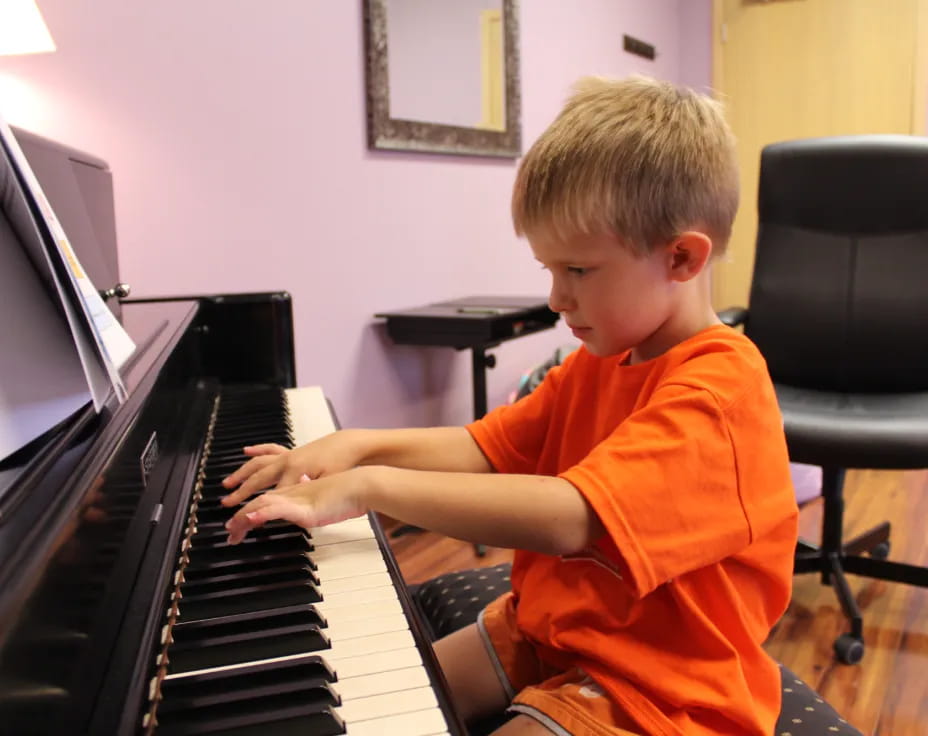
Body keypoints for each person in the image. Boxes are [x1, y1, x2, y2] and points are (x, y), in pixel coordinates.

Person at [222, 75, 799, 736]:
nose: (557, 297)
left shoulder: (719, 390)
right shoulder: (599, 362)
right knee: (388, 706)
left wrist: (371, 487)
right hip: (561, 626)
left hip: (664, 682)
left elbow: (572, 518)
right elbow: (485, 448)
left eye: (578, 271)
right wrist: (356, 445)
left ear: (681, 258)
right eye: (548, 270)